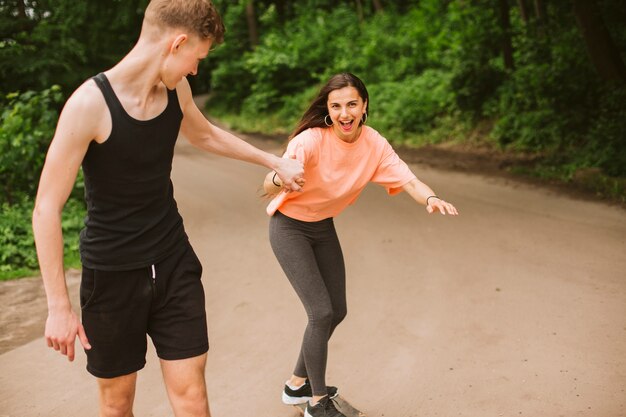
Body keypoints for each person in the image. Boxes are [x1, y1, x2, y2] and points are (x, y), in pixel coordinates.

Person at [31, 1, 304, 416]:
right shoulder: (89, 105)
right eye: (197, 58)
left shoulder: (176, 89)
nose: (195, 70)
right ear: (177, 43)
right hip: (112, 276)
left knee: (192, 399)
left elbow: (205, 135)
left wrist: (274, 161)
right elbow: (47, 208)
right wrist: (58, 307)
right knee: (117, 405)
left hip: (173, 262)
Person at [263, 72, 458, 417]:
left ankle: (296, 385)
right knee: (320, 312)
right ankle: (317, 404)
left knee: (336, 310)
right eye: (336, 106)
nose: (344, 113)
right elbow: (269, 181)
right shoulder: (309, 141)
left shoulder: (374, 144)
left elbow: (409, 180)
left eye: (352, 104)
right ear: (327, 109)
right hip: (289, 228)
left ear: (364, 106)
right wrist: (281, 176)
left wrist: (430, 198)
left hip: (321, 226)